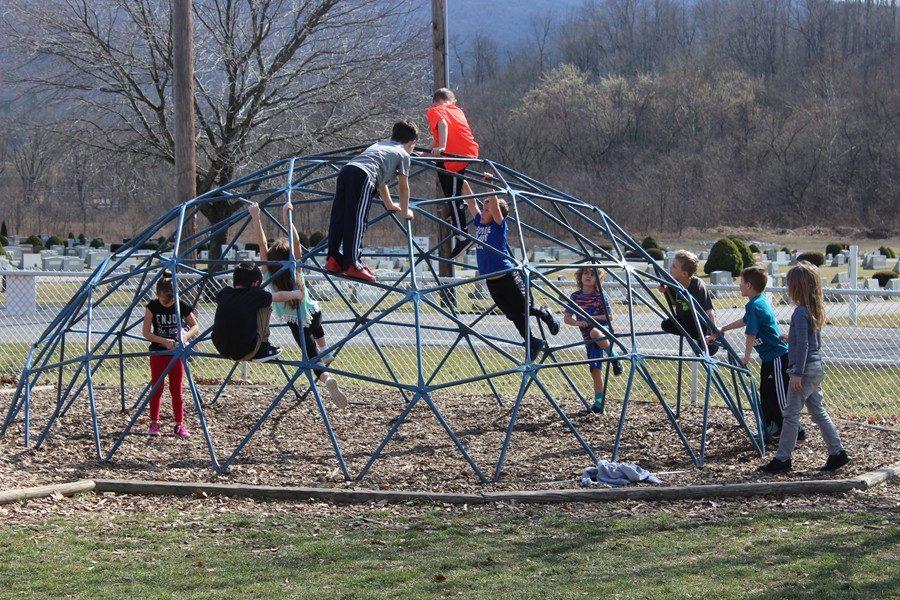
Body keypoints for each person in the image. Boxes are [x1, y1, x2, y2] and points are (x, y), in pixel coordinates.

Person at [249, 201, 347, 408]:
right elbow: (296, 245)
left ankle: (327, 378)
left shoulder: (269, 271)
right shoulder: (295, 268)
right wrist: (287, 219)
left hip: (298, 323)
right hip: (314, 311)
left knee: (312, 358)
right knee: (318, 330)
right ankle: (326, 350)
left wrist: (256, 218)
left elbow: (262, 244)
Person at [760, 262, 849, 474]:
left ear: (797, 287)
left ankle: (782, 459)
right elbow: (806, 339)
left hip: (804, 370)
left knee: (790, 415)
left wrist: (797, 372)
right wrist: (789, 337)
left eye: (789, 284)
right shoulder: (812, 308)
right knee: (818, 412)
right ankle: (837, 453)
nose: (787, 288)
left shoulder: (799, 312)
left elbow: (804, 345)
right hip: (816, 368)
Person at [465, 172, 559, 358]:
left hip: (507, 276)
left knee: (525, 307)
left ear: (495, 214)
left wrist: (489, 185)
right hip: (491, 281)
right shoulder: (480, 224)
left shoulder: (499, 226)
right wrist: (459, 177)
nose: (483, 213)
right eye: (484, 210)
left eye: (487, 211)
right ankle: (533, 342)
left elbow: (495, 207)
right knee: (512, 314)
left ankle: (546, 314)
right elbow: (470, 202)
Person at [713, 266, 804, 442]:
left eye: (740, 283)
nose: (739, 286)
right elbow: (745, 321)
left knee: (779, 396)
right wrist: (724, 328)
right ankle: (774, 429)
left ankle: (796, 432)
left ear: (748, 285)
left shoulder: (756, 305)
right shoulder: (756, 303)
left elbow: (751, 333)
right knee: (766, 394)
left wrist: (746, 357)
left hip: (777, 357)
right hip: (768, 359)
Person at [325, 120, 417, 283]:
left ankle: (333, 258)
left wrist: (389, 205)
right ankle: (353, 263)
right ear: (412, 142)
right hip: (364, 176)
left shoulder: (379, 145)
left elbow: (381, 184)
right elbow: (404, 187)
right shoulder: (403, 154)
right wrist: (405, 210)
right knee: (357, 220)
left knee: (339, 217)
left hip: (347, 170)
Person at [141, 277, 199, 437]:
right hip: (158, 353)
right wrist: (164, 341)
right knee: (157, 388)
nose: (168, 303)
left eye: (171, 301)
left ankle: (179, 424)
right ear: (157, 294)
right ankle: (154, 423)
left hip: (177, 354)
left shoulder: (181, 305)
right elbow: (146, 332)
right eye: (165, 301)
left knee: (176, 389)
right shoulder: (152, 306)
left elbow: (195, 325)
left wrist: (186, 336)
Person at [426, 88, 480, 258]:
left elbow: (442, 124)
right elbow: (447, 136)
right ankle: (454, 211)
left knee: (454, 195)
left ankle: (462, 235)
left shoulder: (436, 110)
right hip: (466, 153)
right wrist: (429, 152)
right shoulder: (457, 111)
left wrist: (441, 146)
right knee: (451, 190)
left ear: (437, 101)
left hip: (454, 157)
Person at [212, 261, 301, 363]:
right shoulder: (255, 295)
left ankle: (258, 346)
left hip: (221, 348)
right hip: (246, 350)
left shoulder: (224, 293)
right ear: (255, 283)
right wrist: (296, 294)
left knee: (232, 311)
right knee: (265, 305)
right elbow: (280, 296)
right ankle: (263, 348)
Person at [564, 267, 613, 413]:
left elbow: (609, 317)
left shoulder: (600, 296)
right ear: (580, 276)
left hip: (603, 331)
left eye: (593, 275)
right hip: (588, 338)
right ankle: (598, 404)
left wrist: (591, 319)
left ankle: (614, 357)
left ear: (598, 279)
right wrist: (579, 323)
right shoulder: (575, 297)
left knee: (595, 332)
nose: (588, 277)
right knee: (595, 370)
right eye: (586, 273)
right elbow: (567, 318)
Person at [658, 250, 719, 355]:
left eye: (674, 266)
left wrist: (713, 332)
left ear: (684, 273)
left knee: (704, 344)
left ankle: (705, 338)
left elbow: (709, 311)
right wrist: (665, 290)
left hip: (698, 323)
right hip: (683, 320)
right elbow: (674, 303)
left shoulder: (697, 285)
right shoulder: (674, 283)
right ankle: (696, 338)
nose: (670, 268)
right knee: (666, 325)